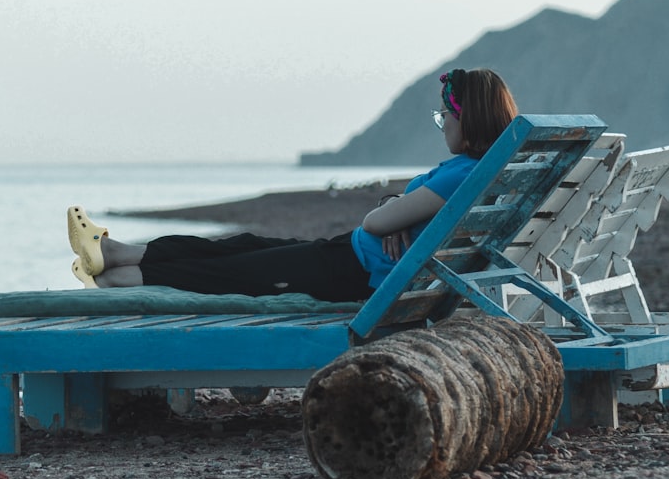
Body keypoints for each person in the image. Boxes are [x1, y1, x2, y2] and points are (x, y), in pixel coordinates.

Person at [67, 68, 518, 303]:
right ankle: (116, 254)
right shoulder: (479, 172)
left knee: (233, 273)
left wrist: (393, 209)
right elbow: (393, 215)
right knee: (242, 243)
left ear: (468, 118)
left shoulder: (461, 173)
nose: (442, 127)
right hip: (347, 260)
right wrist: (398, 207)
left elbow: (376, 221)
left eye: (446, 117)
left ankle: (118, 279)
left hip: (349, 275)